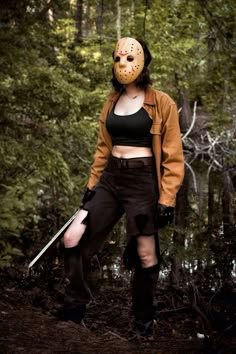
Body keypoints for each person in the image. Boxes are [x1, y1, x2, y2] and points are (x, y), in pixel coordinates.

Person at [61, 37, 184, 339]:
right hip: (111, 179)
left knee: (146, 255)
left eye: (130, 58)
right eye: (118, 58)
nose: (123, 64)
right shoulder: (111, 100)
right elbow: (103, 148)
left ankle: (143, 322)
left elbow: (173, 155)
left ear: (143, 62)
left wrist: (167, 199)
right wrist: (91, 186)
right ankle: (75, 309)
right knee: (72, 237)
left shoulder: (162, 102)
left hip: (143, 183)